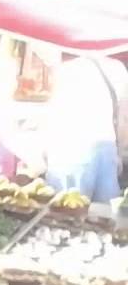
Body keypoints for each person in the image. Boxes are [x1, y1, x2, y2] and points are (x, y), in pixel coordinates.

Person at [42, 55, 122, 202]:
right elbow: (123, 116)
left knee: (64, 215)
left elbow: (54, 112)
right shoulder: (118, 68)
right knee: (104, 217)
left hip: (71, 148)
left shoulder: (64, 67)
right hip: (107, 148)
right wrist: (119, 153)